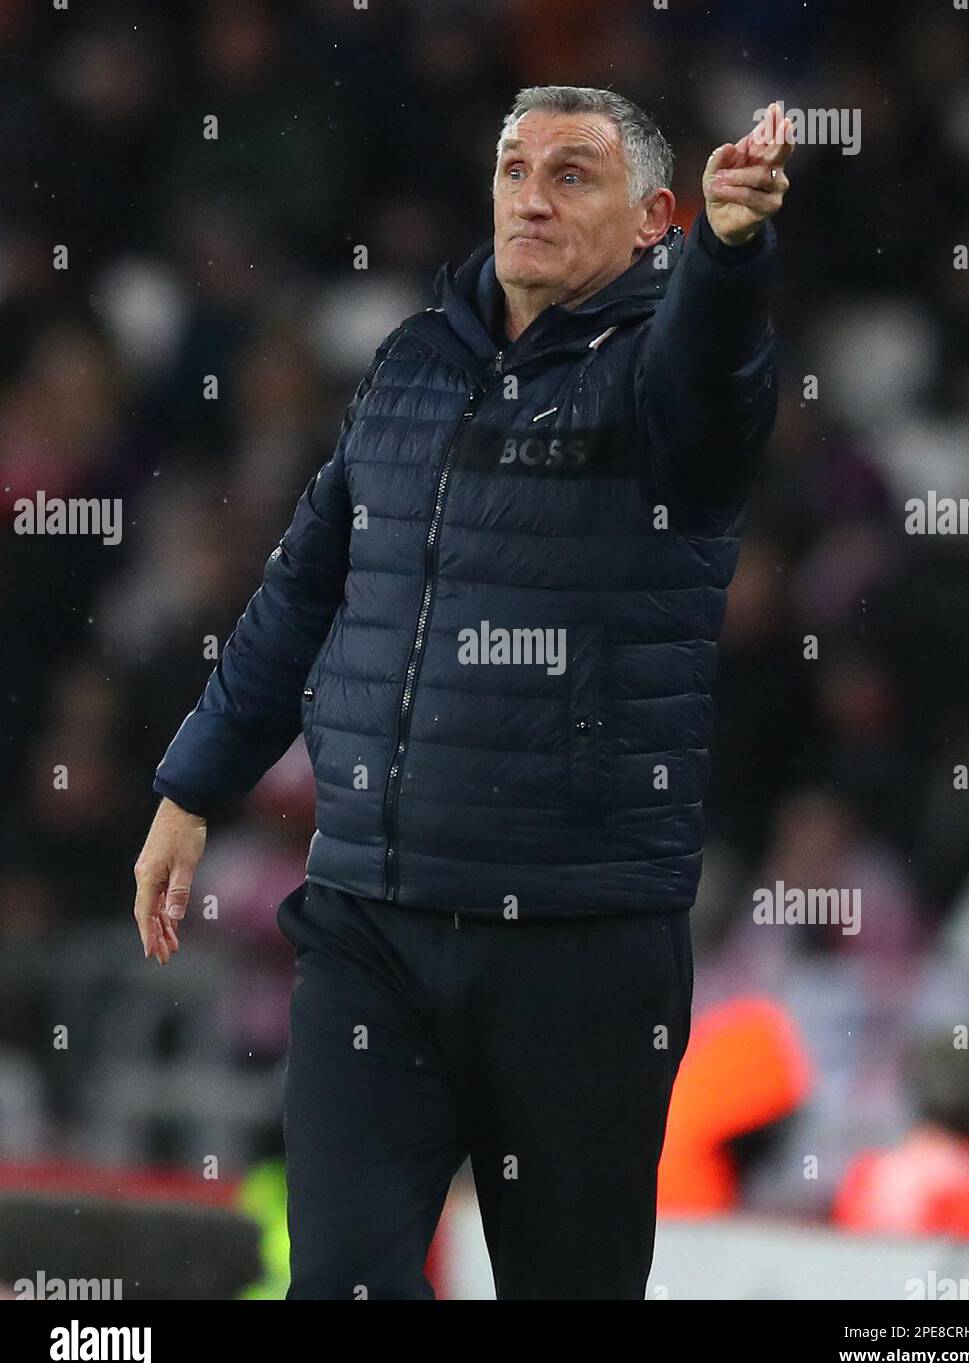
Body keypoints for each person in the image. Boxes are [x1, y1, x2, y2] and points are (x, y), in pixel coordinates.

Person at [134, 86, 792, 1300]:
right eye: (512, 167)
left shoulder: (668, 378)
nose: (531, 195)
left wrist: (730, 249)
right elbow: (306, 584)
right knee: (341, 1284)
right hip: (370, 920)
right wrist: (192, 784)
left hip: (577, 942)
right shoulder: (414, 359)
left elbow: (716, 370)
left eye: (573, 174)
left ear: (655, 218)